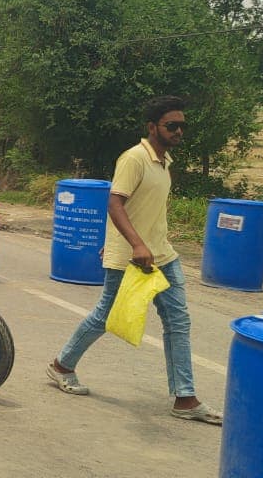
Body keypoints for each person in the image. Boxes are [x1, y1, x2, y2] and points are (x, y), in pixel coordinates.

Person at [47, 95, 222, 425]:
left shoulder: (164, 161)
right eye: (172, 126)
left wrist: (129, 241)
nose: (179, 131)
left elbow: (147, 209)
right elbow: (115, 203)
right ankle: (61, 366)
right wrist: (132, 244)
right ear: (152, 127)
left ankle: (185, 398)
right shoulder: (135, 158)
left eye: (182, 126)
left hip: (162, 254)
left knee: (178, 321)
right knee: (105, 315)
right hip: (134, 256)